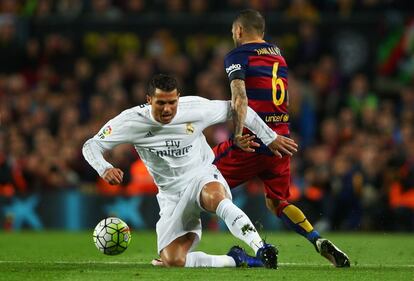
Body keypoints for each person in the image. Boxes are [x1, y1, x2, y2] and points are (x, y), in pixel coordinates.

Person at [83, 74, 298, 268]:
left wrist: (270, 137)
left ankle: (261, 247)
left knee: (214, 196)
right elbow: (91, 145)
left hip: (201, 175)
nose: (167, 109)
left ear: (178, 97)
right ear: (149, 100)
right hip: (170, 195)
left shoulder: (195, 108)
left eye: (172, 102)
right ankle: (236, 259)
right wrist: (104, 168)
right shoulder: (131, 121)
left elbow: (241, 108)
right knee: (173, 260)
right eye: (160, 103)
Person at [213, 9, 350, 267]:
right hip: (280, 140)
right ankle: (316, 238)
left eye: (234, 31)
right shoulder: (278, 55)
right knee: (277, 202)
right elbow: (284, 99)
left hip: (252, 141)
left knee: (201, 176)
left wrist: (239, 133)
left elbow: (239, 96)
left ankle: (251, 254)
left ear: (239, 31)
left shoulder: (237, 54)